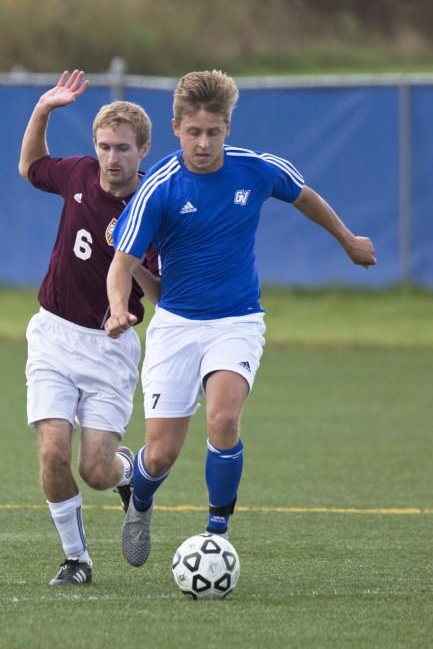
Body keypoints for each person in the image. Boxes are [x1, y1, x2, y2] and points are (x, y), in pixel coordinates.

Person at [105, 69, 376, 567]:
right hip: (176, 326)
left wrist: (348, 241)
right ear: (175, 129)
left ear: (228, 128)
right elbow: (121, 264)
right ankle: (139, 502)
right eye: (193, 133)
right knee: (161, 454)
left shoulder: (256, 169)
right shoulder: (160, 186)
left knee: (224, 419)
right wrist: (120, 308)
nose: (203, 143)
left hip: (238, 320)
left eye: (213, 132)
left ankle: (217, 532)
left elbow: (305, 197)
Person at [18, 70, 161, 585]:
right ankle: (76, 559)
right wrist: (43, 109)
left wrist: (135, 253)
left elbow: (164, 297)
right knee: (53, 449)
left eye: (123, 147)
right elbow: (30, 165)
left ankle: (130, 473)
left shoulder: (155, 208)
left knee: (95, 472)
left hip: (109, 347)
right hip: (53, 334)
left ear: (143, 149)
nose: (112, 158)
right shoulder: (78, 174)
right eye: (104, 146)